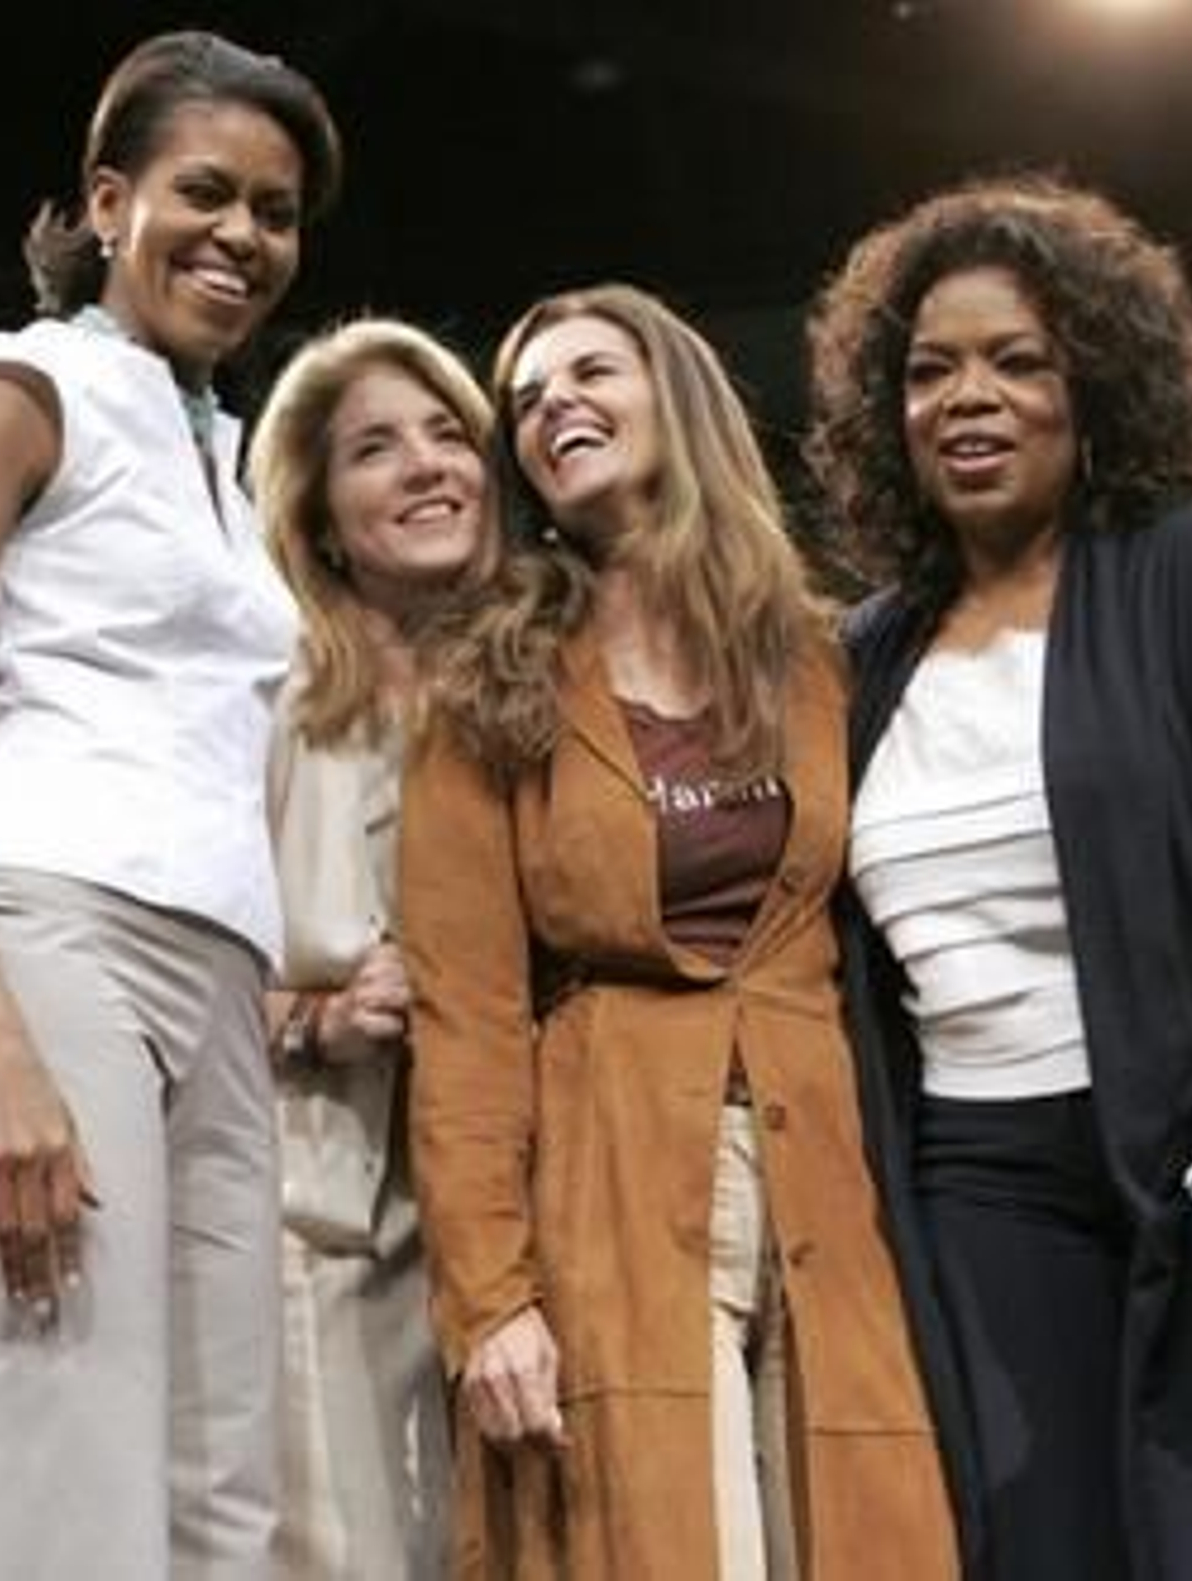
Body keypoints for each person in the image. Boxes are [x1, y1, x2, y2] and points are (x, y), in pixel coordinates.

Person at [806, 174, 1192, 1580]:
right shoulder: (867, 652)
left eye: (1019, 359)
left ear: (1098, 381)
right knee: (1037, 1543)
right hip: (977, 1188)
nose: (969, 397)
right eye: (931, 370)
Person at [0, 31, 340, 1578]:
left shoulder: (225, 458)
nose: (244, 235)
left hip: (217, 990)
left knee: (217, 1513)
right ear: (109, 202)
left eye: (277, 209)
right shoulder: (12, 390)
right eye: (206, 191)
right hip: (41, 948)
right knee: (39, 1500)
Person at [398, 283, 961, 1579]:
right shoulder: (492, 678)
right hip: (615, 1171)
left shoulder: (821, 658)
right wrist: (491, 1300)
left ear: (680, 400)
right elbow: (466, 1016)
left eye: (593, 371)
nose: (555, 408)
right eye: (529, 400)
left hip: (825, 1163)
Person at [248, 317, 498, 1577]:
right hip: (309, 1219)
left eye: (450, 435)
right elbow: (151, 976)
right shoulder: (266, 688)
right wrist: (317, 1017)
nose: (425, 466)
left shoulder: (518, 696)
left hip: (485, 1227)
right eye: (374, 449)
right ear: (321, 512)